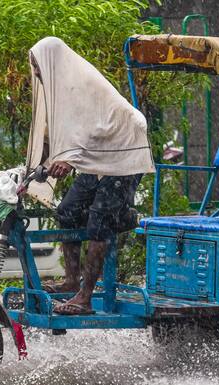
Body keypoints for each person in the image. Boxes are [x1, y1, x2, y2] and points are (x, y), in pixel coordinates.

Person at [26, 37, 154, 315]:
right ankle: (72, 280)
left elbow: (95, 126)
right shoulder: (58, 92)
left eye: (38, 67)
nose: (36, 73)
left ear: (52, 63)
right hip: (97, 158)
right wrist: (28, 172)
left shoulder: (80, 83)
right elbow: (52, 136)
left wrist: (70, 160)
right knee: (68, 211)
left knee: (99, 222)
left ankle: (84, 298)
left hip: (123, 151)